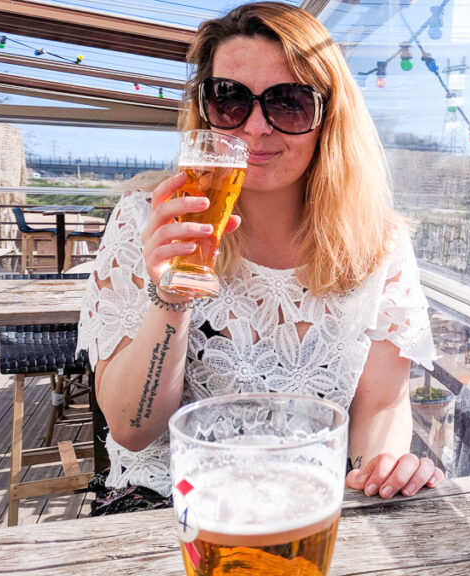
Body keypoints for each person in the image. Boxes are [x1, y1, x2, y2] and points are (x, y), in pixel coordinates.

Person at [77, 2, 442, 515]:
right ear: (204, 110)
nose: (255, 127)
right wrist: (172, 295)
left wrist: (377, 472)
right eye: (229, 99)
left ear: (328, 117)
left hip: (309, 504)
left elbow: (381, 404)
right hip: (171, 502)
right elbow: (132, 431)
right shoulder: (148, 218)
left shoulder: (378, 243)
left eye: (288, 102)